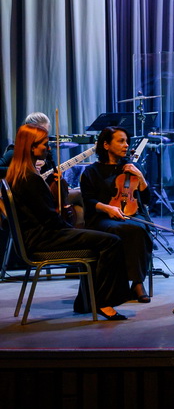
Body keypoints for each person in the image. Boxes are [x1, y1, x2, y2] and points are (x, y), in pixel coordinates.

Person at [6, 124, 131, 318]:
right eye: (44, 144)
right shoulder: (30, 179)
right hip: (44, 239)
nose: (48, 148)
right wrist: (73, 229)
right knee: (111, 241)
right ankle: (104, 302)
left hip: (36, 237)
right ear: (32, 147)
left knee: (99, 239)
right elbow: (50, 219)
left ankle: (86, 302)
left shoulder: (19, 175)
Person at [78, 127, 155, 304]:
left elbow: (147, 199)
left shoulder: (132, 168)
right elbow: (88, 200)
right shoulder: (92, 171)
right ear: (106, 145)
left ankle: (137, 283)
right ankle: (121, 285)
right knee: (121, 229)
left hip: (133, 214)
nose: (126, 145)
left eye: (127, 141)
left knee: (139, 228)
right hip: (102, 217)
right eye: (121, 141)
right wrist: (107, 208)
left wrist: (140, 177)